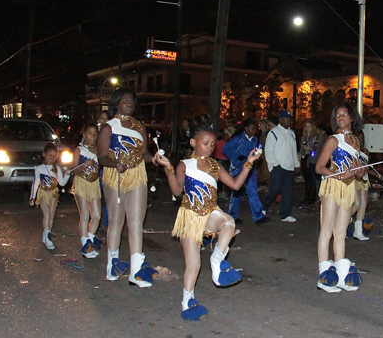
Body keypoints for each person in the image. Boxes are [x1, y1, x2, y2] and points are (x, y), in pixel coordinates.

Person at [164, 124, 262, 320]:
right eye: (205, 143)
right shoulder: (184, 164)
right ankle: (187, 302)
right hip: (190, 216)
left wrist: (249, 163)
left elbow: (235, 185)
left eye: (212, 144)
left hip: (210, 213)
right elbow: (176, 191)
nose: (209, 147)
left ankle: (217, 260)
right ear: (193, 142)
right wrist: (168, 168)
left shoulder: (216, 166)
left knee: (228, 222)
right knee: (193, 265)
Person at [96, 87, 170, 287]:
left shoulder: (139, 127)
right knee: (117, 221)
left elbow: (144, 153)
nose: (129, 103)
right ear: (116, 103)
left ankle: (136, 271)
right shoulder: (108, 127)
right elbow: (102, 156)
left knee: (137, 221)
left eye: (132, 101)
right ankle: (112, 264)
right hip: (115, 176)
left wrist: (154, 159)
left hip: (137, 174)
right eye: (125, 100)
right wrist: (115, 164)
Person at [315, 103, 367, 293]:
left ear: (352, 118)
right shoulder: (333, 140)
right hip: (333, 186)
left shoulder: (355, 141)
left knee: (341, 232)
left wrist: (360, 172)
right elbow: (319, 167)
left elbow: (358, 171)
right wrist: (339, 176)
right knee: (326, 231)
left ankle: (340, 274)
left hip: (349, 188)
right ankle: (324, 277)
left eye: (345, 114)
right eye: (338, 115)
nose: (341, 117)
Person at [223, 118, 267, 224]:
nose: (254, 131)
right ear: (246, 129)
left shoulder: (254, 140)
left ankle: (258, 216)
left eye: (254, 129)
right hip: (238, 169)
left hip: (250, 169)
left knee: (253, 192)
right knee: (237, 192)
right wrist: (237, 158)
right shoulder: (238, 139)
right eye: (252, 129)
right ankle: (233, 216)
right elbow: (225, 149)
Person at [29, 142, 70, 250]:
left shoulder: (57, 169)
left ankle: (46, 233)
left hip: (53, 194)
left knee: (51, 217)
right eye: (49, 155)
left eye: (54, 156)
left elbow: (61, 183)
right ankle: (48, 239)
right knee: (46, 215)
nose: (51, 157)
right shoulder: (39, 168)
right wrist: (32, 197)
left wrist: (67, 175)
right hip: (43, 194)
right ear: (44, 154)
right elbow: (35, 184)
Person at [262, 110, 300, 222]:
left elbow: (294, 150)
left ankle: (285, 214)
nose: (288, 120)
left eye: (289, 118)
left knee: (288, 191)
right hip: (278, 166)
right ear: (280, 120)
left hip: (289, 166)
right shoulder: (273, 133)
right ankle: (264, 206)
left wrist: (296, 164)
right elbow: (269, 150)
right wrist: (274, 164)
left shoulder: (292, 133)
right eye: (286, 118)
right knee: (275, 189)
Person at [72, 123, 102, 258]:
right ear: (84, 134)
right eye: (90, 133)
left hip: (94, 184)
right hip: (81, 183)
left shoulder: (99, 150)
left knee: (96, 216)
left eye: (95, 133)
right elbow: (72, 170)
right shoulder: (79, 150)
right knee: (84, 215)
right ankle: (85, 245)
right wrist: (84, 165)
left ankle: (89, 241)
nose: (93, 136)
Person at [300, 120, 320, 204]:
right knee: (306, 178)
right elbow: (301, 147)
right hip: (304, 157)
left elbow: (316, 147)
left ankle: (313, 196)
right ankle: (307, 196)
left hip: (311, 158)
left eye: (309, 126)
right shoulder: (304, 136)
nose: (307, 128)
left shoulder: (314, 136)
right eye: (306, 126)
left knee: (312, 178)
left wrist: (310, 149)